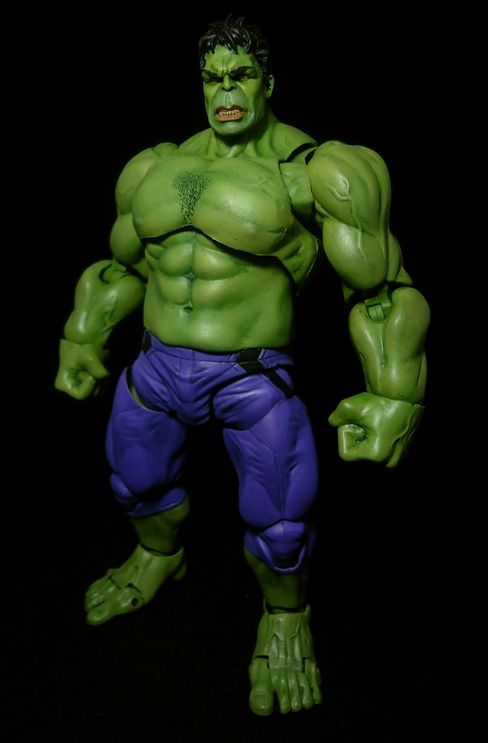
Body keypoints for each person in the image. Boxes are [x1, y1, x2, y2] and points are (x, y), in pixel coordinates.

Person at [55, 15, 430, 716]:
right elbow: (121, 266)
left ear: (269, 82)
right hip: (155, 369)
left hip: (250, 379)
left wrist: (394, 393)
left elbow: (380, 291)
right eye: (212, 78)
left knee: (282, 529)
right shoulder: (154, 167)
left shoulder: (315, 173)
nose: (225, 92)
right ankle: (160, 557)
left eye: (241, 75)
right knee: (135, 484)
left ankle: (286, 619)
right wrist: (83, 337)